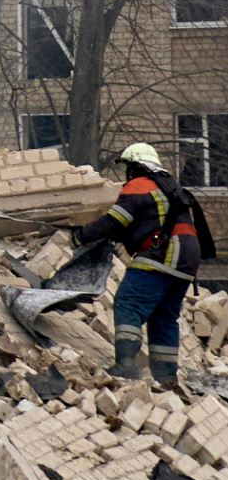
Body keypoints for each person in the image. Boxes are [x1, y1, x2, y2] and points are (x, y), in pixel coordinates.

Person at [75, 144, 208, 386]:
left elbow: (116, 219)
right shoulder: (169, 186)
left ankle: (126, 364)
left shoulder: (141, 185)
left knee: (129, 304)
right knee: (164, 316)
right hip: (189, 256)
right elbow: (143, 221)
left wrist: (81, 236)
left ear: (136, 166)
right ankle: (166, 376)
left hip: (164, 251)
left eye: (128, 167)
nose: (127, 173)